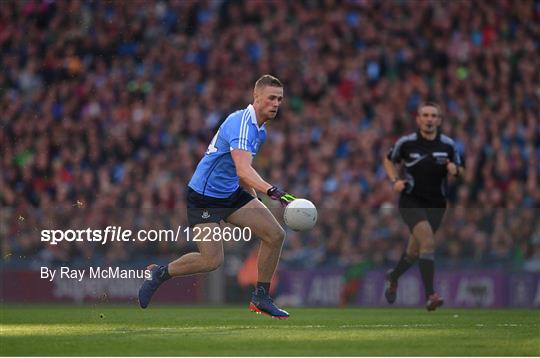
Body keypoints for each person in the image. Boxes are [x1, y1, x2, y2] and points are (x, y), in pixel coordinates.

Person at [138, 75, 296, 319]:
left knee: (275, 234)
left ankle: (261, 298)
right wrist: (273, 191)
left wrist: (256, 202)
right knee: (212, 260)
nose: (276, 104)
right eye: (271, 98)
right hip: (204, 197)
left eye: (280, 99)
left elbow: (240, 172)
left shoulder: (259, 130)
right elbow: (244, 169)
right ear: (256, 97)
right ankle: (160, 273)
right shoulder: (241, 123)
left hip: (231, 194)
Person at [383, 102, 464, 311]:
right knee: (427, 240)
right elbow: (388, 160)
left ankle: (394, 276)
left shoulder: (448, 145)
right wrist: (395, 181)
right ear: (418, 119)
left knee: (415, 250)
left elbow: (460, 171)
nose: (429, 119)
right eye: (425, 115)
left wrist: (456, 170)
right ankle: (430, 295)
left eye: (433, 116)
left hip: (437, 204)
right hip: (411, 200)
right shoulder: (407, 143)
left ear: (439, 120)